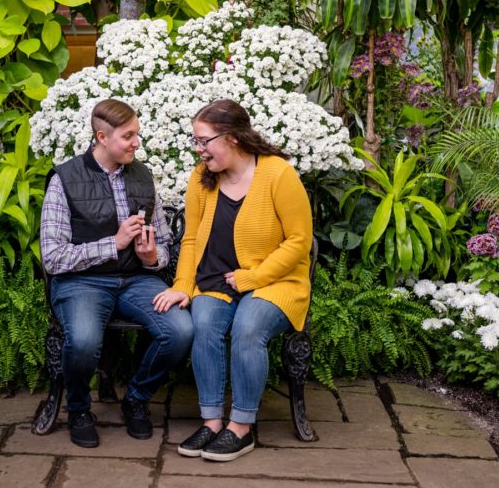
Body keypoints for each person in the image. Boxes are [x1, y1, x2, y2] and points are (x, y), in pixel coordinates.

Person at [153, 99, 312, 462]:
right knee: (204, 322)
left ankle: (241, 428)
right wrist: (182, 284)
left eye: (204, 140)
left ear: (233, 138)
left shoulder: (278, 174)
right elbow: (190, 239)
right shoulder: (201, 178)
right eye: (195, 140)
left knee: (247, 327)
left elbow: (299, 241)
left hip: (275, 283)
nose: (198, 149)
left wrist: (252, 277)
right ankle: (211, 422)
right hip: (216, 281)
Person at [41, 99, 193, 448]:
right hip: (82, 282)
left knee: (181, 330)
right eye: (128, 136)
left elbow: (164, 242)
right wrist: (114, 242)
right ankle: (79, 409)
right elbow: (53, 256)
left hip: (136, 280)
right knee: (81, 341)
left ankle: (136, 399)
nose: (136, 142)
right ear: (101, 137)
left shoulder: (142, 176)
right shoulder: (64, 180)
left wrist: (153, 257)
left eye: (137, 134)